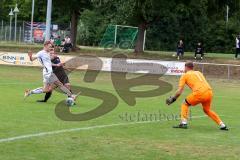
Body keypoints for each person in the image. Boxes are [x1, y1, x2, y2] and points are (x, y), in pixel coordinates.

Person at [166, 61, 228, 130]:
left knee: (185, 103)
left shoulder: (185, 75)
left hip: (200, 93)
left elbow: (179, 91)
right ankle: (222, 124)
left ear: (186, 67)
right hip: (209, 92)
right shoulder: (199, 72)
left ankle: (183, 123)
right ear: (192, 67)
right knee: (207, 110)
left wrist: (173, 98)